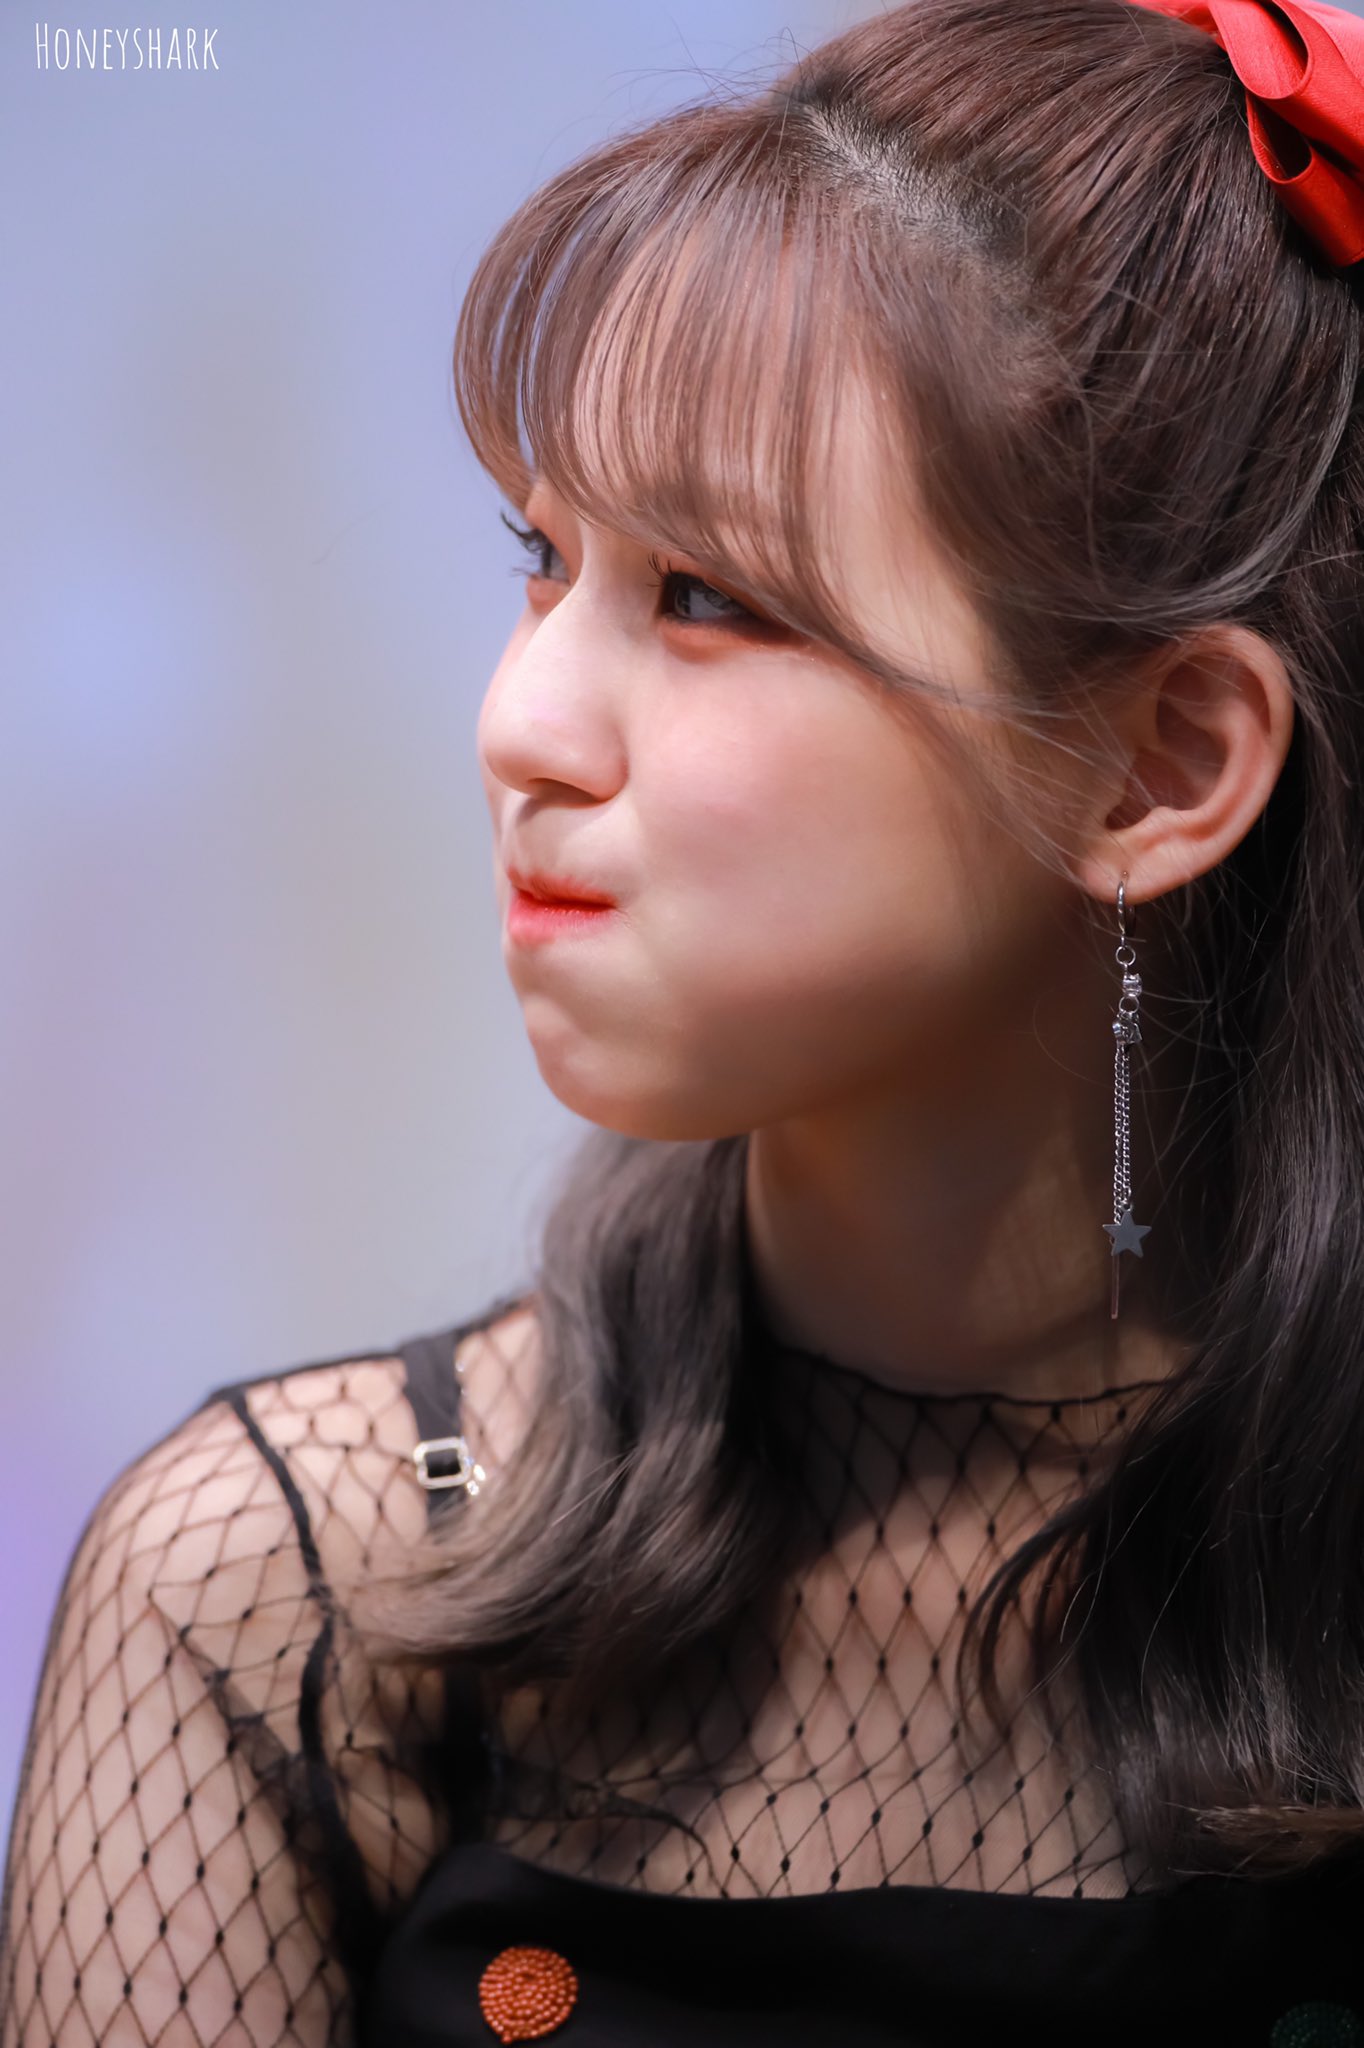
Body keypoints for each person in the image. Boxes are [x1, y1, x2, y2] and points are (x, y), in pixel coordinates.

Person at [7, 0, 1364, 2038]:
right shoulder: (279, 1597)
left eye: (708, 598)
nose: (522, 722)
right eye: (541, 561)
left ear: (1158, 765)